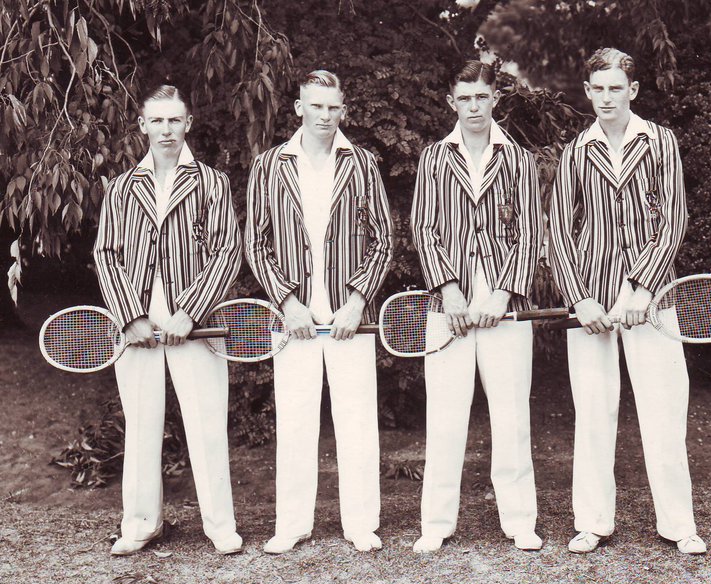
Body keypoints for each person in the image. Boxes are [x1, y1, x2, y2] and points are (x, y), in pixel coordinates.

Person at [547, 48, 704, 555]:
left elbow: (673, 220)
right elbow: (558, 234)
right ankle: (593, 521)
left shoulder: (660, 141)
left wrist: (643, 287)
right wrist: (581, 299)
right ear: (587, 92)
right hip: (591, 299)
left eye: (617, 88)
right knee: (593, 412)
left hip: (651, 297)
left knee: (663, 408)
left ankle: (679, 525)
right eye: (599, 89)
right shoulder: (575, 151)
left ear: (632, 91)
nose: (607, 97)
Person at [245, 70, 393, 554]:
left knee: (356, 423)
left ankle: (361, 524)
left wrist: (357, 301)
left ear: (343, 109)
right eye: (316, 106)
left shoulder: (363, 163)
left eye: (333, 107)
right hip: (294, 322)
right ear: (298, 108)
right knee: (295, 423)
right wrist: (287, 302)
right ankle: (291, 525)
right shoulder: (270, 165)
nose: (325, 116)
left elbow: (383, 239)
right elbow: (255, 243)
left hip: (349, 319)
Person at [94, 84, 243, 556]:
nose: (165, 129)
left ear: (188, 124)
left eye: (174, 120)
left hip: (192, 320)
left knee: (206, 423)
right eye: (156, 121)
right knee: (141, 423)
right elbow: (105, 254)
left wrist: (190, 313)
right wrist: (131, 316)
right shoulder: (122, 187)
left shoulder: (211, 182)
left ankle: (220, 526)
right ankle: (140, 525)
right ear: (142, 126)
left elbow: (227, 252)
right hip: (136, 320)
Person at [410, 60, 543, 553]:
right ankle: (436, 524)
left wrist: (502, 292)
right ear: (452, 102)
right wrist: (449, 291)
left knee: (511, 417)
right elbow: (423, 228)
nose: (473, 107)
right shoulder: (433, 158)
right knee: (445, 418)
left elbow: (531, 232)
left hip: (503, 307)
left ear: (495, 100)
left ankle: (520, 521)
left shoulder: (519, 159)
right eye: (464, 98)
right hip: (449, 307)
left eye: (481, 98)